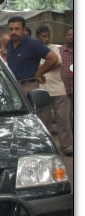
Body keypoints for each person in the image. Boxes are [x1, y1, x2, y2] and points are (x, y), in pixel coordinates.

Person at [35, 26, 73, 155]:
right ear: (37, 36)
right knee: (44, 121)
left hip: (58, 88)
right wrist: (48, 65)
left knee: (63, 120)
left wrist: (40, 71)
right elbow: (46, 64)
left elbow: (58, 63)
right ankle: (48, 148)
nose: (46, 39)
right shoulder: (34, 49)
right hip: (42, 90)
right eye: (43, 36)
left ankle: (67, 146)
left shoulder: (54, 48)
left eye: (48, 36)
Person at [6, 16, 57, 93]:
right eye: (11, 29)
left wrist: (39, 73)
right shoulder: (9, 43)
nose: (13, 32)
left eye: (17, 29)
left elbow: (53, 58)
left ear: (23, 30)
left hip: (28, 87)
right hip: (13, 87)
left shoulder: (32, 44)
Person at [59, 27, 74, 132]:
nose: (71, 37)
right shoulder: (59, 50)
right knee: (66, 115)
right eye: (69, 34)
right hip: (64, 88)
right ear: (65, 36)